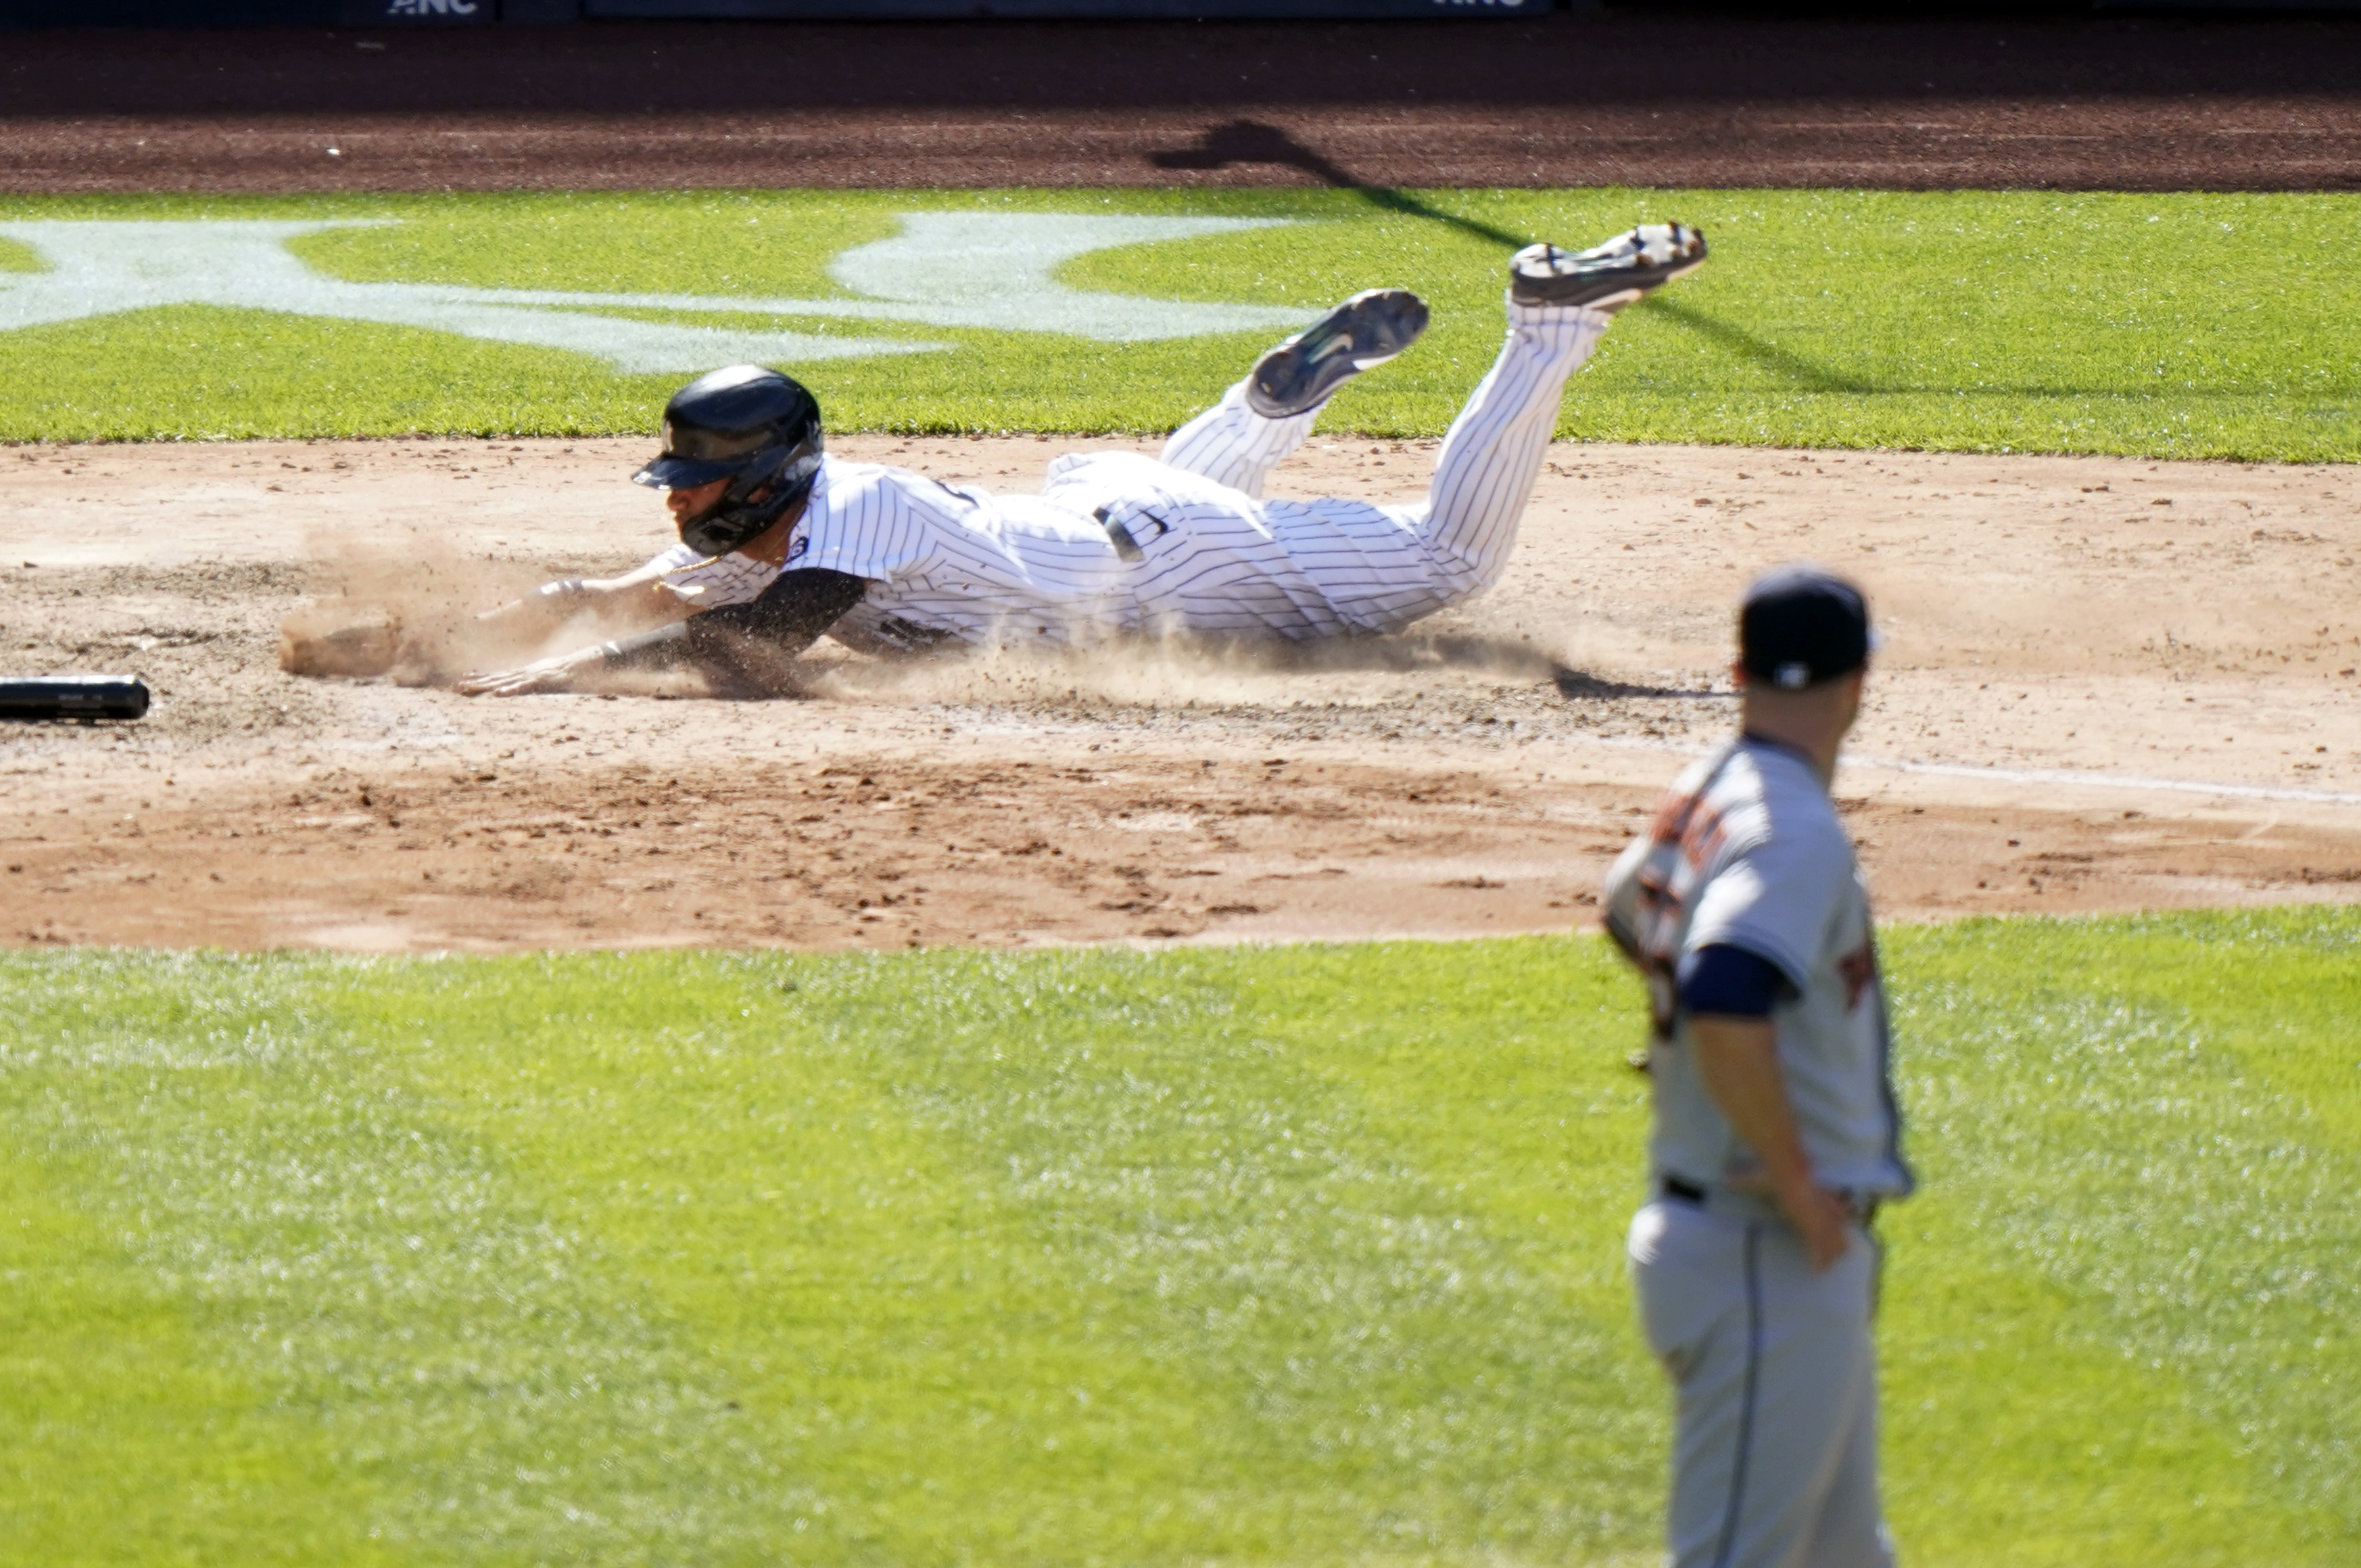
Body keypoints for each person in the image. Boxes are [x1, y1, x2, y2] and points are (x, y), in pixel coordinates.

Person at [457, 223, 1707, 697]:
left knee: (1451, 556)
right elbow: (617, 597)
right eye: (678, 482)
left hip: (1179, 566)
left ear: (774, 474)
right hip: (1121, 514)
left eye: (699, 482)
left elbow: (758, 644)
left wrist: (577, 682)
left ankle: (1546, 323)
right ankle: (1266, 408)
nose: (682, 502)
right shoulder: (785, 529)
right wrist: (436, 643)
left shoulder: (857, 514)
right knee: (1185, 499)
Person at [1602, 567, 1913, 1568]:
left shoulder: (1710, 790)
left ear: (1735, 672)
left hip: (1738, 1242)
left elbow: (1631, 905)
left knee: (1842, 1554)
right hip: (1764, 1249)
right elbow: (1728, 990)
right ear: (1860, 681)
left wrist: (1684, 1043)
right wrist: (1795, 1178)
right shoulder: (1795, 835)